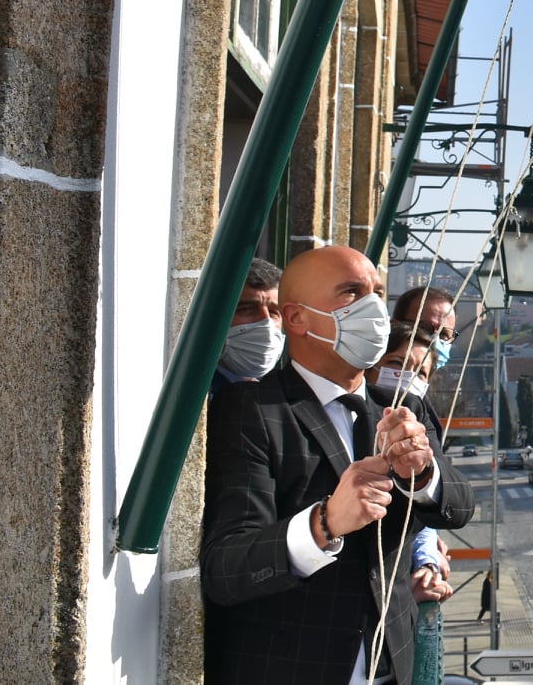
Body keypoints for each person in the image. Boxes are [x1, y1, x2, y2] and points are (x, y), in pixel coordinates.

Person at [202, 245, 473, 685]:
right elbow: (225, 568)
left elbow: (459, 507)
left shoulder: (402, 408)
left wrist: (423, 475)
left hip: (391, 668)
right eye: (352, 292)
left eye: (377, 292)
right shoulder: (251, 409)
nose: (374, 308)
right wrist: (324, 523)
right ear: (297, 319)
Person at [367, 322, 451, 606]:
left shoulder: (422, 429)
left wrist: (427, 562)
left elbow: (428, 512)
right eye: (395, 363)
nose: (407, 377)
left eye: (420, 372)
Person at [211, 258, 284, 394]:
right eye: (247, 309)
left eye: (274, 312)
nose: (266, 322)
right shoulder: (197, 395)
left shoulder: (282, 396)